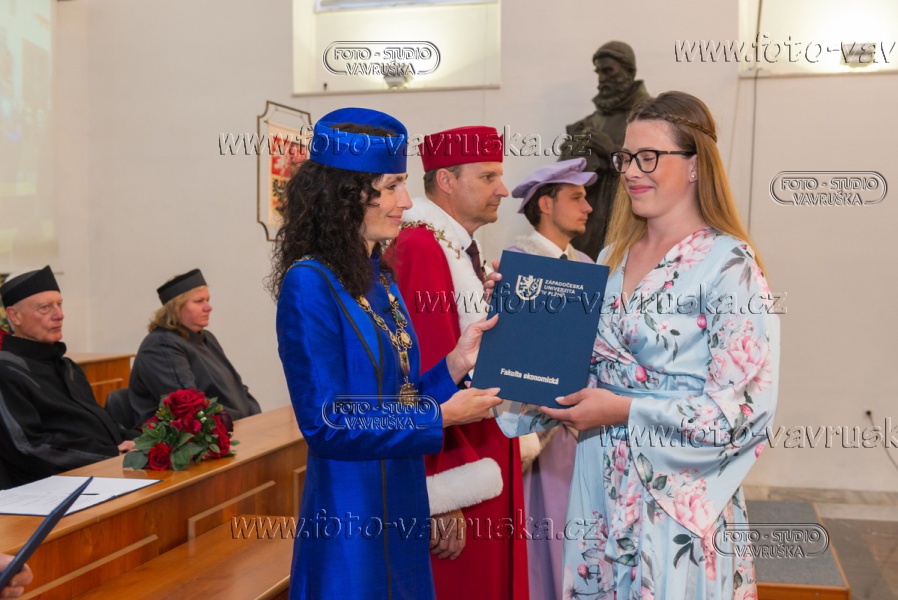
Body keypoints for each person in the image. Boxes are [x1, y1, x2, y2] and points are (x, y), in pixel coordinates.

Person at [497, 91, 779, 598]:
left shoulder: (729, 266)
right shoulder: (612, 256)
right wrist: (514, 327)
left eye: (648, 157)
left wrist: (623, 410)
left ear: (695, 165)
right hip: (599, 486)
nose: (630, 171)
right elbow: (575, 370)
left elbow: (741, 413)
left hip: (676, 500)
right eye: (626, 158)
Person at [270, 107, 503, 599]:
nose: (406, 201)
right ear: (349, 194)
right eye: (392, 186)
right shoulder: (309, 283)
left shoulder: (380, 276)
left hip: (401, 502)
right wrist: (441, 416)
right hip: (350, 516)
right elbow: (327, 422)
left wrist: (455, 364)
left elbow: (401, 395)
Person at [387, 126, 529, 600]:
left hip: (485, 450)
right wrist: (438, 493)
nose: (503, 189)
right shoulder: (420, 247)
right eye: (488, 177)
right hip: (461, 466)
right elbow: (416, 376)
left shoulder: (456, 247)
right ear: (446, 180)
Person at [505, 158, 596, 600]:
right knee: (541, 527)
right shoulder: (519, 260)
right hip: (537, 421)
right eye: (576, 198)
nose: (588, 208)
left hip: (584, 422)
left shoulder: (586, 263)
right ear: (545, 203)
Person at [0, 267, 132, 488]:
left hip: (102, 471)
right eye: (45, 307)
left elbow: (98, 421)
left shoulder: (67, 366)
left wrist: (139, 442)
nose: (59, 315)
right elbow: (29, 447)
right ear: (15, 316)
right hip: (53, 488)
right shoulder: (6, 371)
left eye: (59, 304)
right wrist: (109, 455)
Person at [128, 269, 261, 425]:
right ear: (176, 307)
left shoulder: (206, 338)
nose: (208, 307)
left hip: (233, 425)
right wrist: (238, 423)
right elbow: (189, 405)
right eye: (199, 301)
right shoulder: (161, 345)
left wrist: (256, 418)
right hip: (190, 435)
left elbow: (237, 388)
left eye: (208, 300)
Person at [559, 40, 650, 260]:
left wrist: (610, 151)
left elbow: (653, 166)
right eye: (599, 72)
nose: (601, 79)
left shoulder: (650, 115)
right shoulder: (590, 122)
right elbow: (561, 177)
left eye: (608, 71)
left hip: (628, 223)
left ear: (629, 72)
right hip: (586, 229)